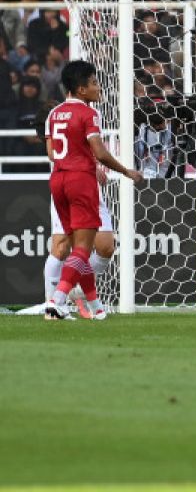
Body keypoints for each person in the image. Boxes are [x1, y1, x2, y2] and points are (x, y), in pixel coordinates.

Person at [42, 61, 144, 320]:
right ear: (81, 88)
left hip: (58, 180)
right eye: (95, 83)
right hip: (79, 181)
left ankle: (96, 306)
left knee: (78, 246)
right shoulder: (89, 114)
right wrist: (126, 171)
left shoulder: (54, 114)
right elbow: (100, 151)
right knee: (83, 249)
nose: (99, 88)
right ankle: (57, 300)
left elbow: (53, 152)